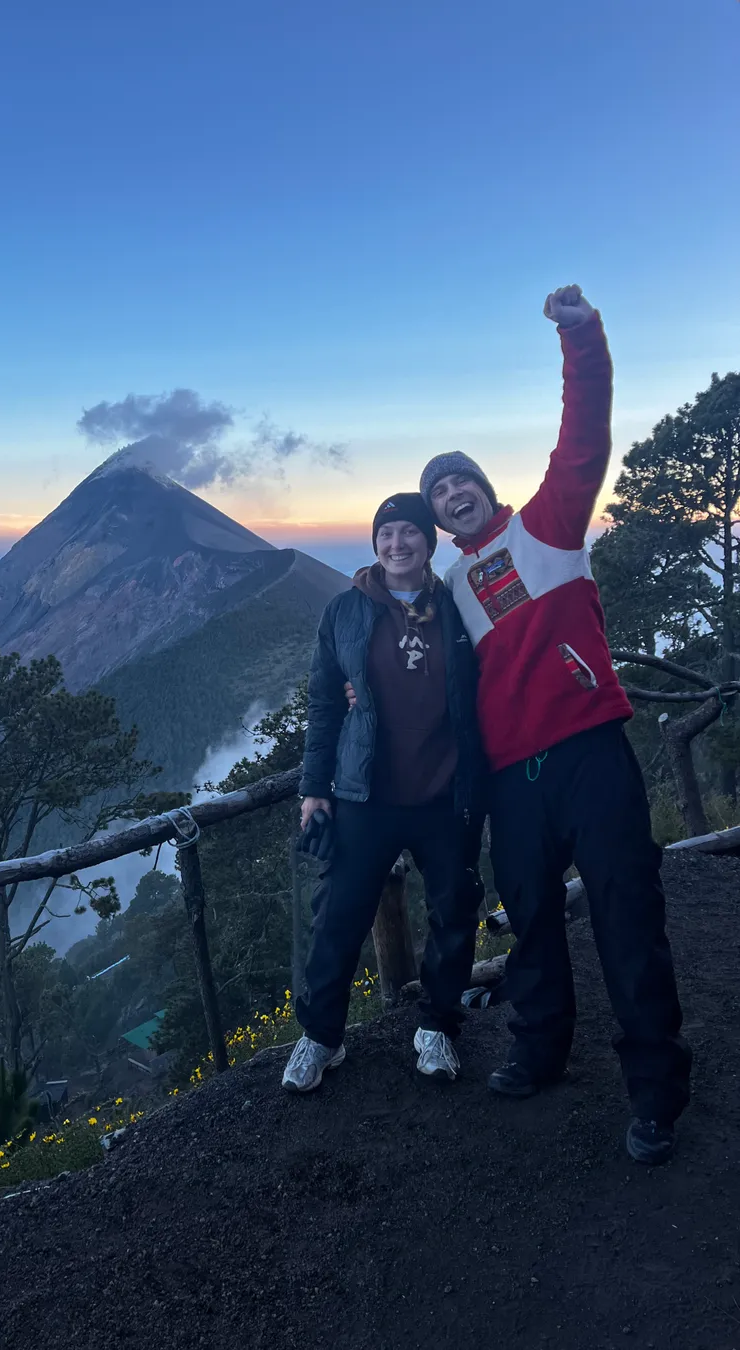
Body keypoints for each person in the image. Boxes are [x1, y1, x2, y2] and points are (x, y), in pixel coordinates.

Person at [417, 283, 691, 1165]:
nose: (453, 493)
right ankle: (539, 1048)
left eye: (461, 480)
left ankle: (655, 1093)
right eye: (438, 491)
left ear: (484, 488)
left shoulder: (549, 526)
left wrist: (582, 337)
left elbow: (584, 436)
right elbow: (415, 667)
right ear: (435, 519)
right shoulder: (450, 590)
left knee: (626, 913)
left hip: (590, 753)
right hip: (513, 780)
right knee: (531, 920)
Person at [282, 492, 486, 1094]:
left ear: (429, 541)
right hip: (364, 792)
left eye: (409, 532)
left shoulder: (457, 607)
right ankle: (323, 1035)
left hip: (445, 791)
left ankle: (438, 1026)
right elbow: (325, 701)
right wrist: (314, 787)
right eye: (386, 533)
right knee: (338, 915)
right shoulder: (345, 611)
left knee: (454, 909)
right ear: (375, 543)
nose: (397, 544)